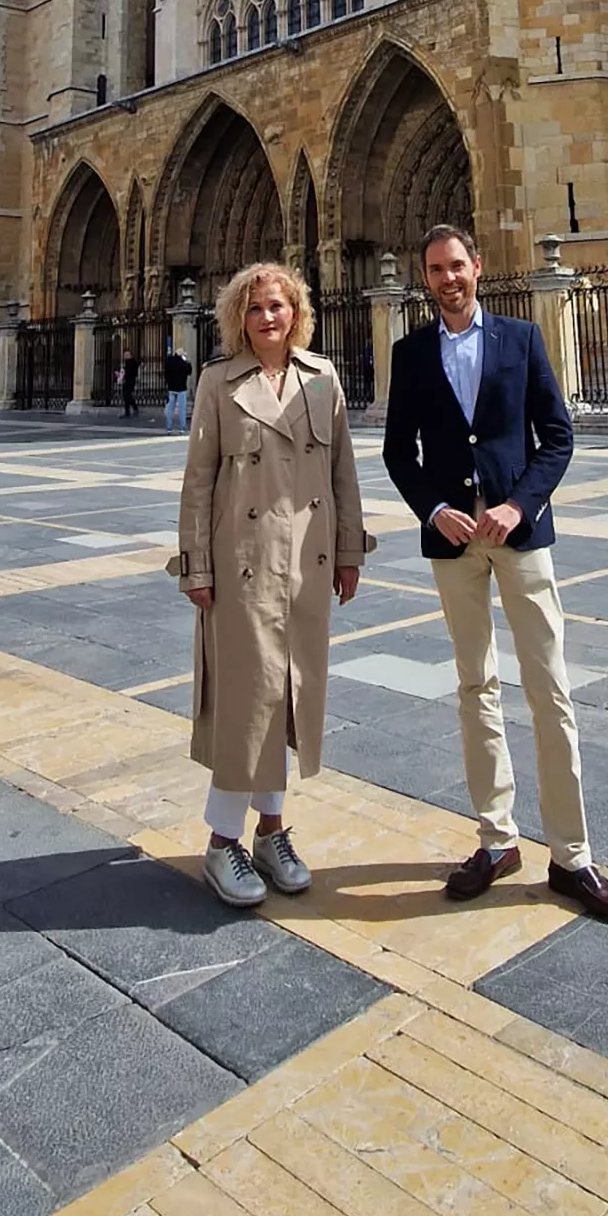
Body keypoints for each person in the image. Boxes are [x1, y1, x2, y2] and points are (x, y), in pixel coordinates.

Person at [383, 223, 608, 925]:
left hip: (520, 537)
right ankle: (497, 840)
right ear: (425, 279)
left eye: (456, 265)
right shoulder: (409, 353)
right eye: (435, 269)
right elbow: (400, 452)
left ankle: (572, 856)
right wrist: (434, 509)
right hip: (454, 543)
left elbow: (557, 435)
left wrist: (520, 506)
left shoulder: (520, 339)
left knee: (550, 689)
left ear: (478, 268)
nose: (448, 278)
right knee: (475, 686)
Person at [172, 260, 371, 907]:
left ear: (295, 314)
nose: (267, 318)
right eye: (255, 309)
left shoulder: (323, 380)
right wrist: (196, 566)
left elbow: (344, 472)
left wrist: (348, 553)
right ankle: (224, 840)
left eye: (277, 307)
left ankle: (272, 832)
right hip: (243, 564)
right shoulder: (218, 383)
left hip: (306, 565)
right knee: (247, 702)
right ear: (240, 318)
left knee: (286, 700)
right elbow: (198, 480)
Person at [162, 344, 192, 435]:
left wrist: (168, 382)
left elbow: (166, 373)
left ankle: (169, 428)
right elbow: (189, 371)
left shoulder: (169, 361)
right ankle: (182, 428)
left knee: (170, 409)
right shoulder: (183, 363)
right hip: (181, 388)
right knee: (182, 410)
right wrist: (187, 361)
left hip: (171, 388)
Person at [118, 352, 139, 420]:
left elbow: (132, 372)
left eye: (127, 355)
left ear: (130, 355)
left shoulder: (132, 363)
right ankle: (134, 407)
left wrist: (124, 373)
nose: (125, 356)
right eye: (124, 355)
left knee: (127, 395)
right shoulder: (127, 362)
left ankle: (128, 412)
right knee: (127, 395)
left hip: (130, 381)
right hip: (127, 381)